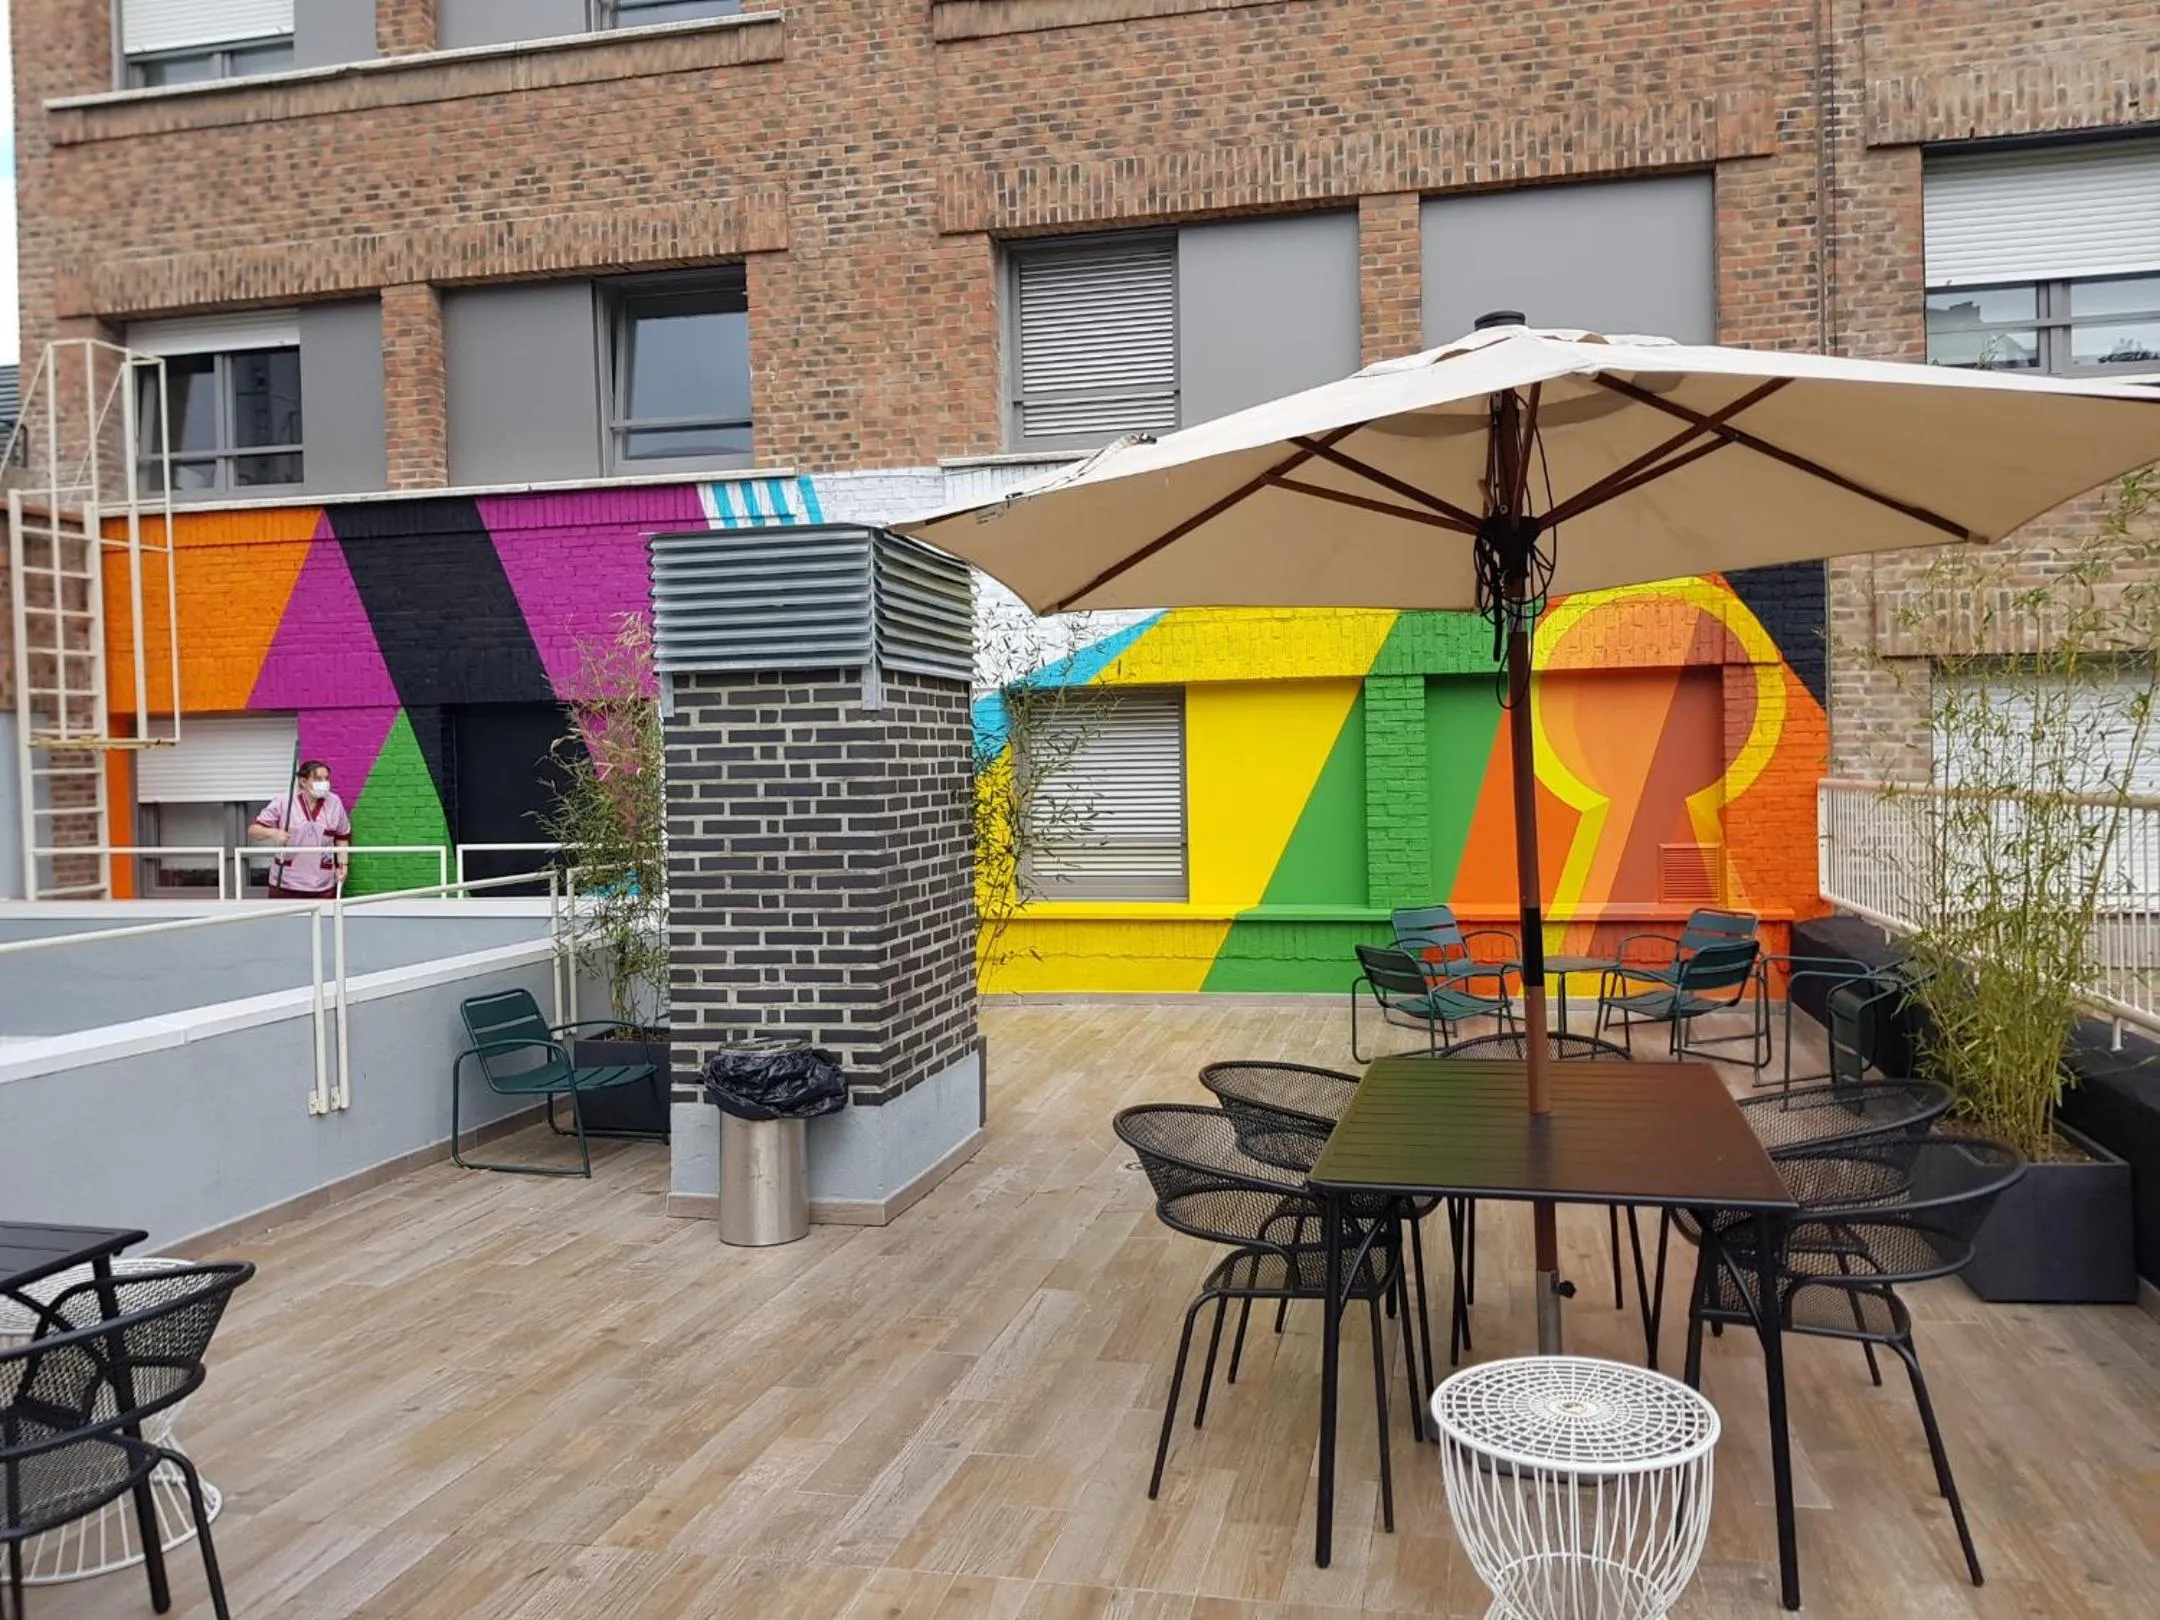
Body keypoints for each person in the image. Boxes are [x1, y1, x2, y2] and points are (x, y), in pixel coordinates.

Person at [249, 759, 352, 899]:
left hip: (323, 884)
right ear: (303, 782)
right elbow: (254, 830)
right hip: (286, 884)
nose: (324, 783)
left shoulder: (334, 802)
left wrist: (343, 864)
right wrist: (273, 833)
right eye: (318, 779)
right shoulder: (284, 801)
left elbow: (342, 836)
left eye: (326, 778)